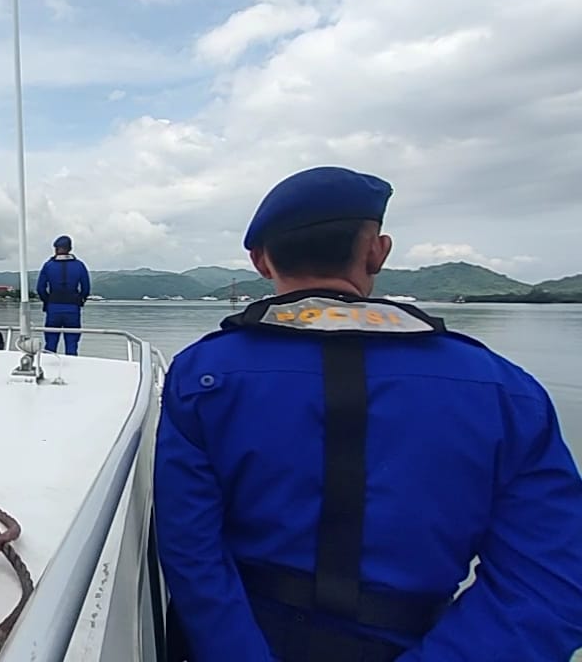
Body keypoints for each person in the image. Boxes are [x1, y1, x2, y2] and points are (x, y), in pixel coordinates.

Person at [153, 166, 582, 662]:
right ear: (378, 251)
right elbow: (552, 580)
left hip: (246, 638)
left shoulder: (204, 376)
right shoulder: (506, 392)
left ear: (260, 260)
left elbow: (191, 551)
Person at [35, 234, 90, 355]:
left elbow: (40, 288)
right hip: (73, 308)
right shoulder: (79, 265)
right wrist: (80, 300)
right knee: (72, 343)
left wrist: (47, 301)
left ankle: (49, 364)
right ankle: (72, 364)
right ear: (70, 248)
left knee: (50, 343)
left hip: (53, 307)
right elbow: (86, 288)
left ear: (56, 249)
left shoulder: (48, 265)